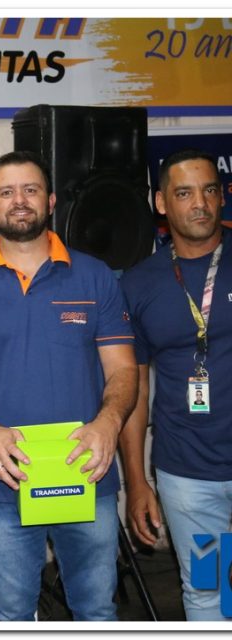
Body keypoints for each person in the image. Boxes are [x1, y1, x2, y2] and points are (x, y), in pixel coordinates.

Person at [0, 150, 138, 621]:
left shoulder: (95, 277)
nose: (19, 200)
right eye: (6, 192)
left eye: (30, 190)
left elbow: (124, 370)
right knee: (11, 615)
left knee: (96, 611)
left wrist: (108, 423)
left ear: (49, 201)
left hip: (85, 472)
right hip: (4, 481)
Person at [119, 148, 232, 621]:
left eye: (209, 190)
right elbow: (134, 390)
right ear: (162, 203)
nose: (199, 203)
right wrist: (136, 481)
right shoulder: (139, 284)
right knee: (208, 589)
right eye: (184, 193)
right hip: (190, 476)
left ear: (222, 196)